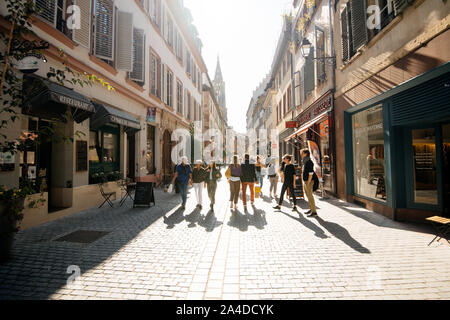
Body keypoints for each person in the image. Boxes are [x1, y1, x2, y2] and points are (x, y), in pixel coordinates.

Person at [301, 149, 318, 217]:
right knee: (308, 195)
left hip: (309, 181)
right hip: (306, 181)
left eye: (302, 153)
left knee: (310, 196)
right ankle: (311, 209)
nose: (301, 155)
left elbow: (311, 173)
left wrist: (308, 181)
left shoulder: (309, 162)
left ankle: (314, 212)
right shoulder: (305, 161)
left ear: (305, 154)